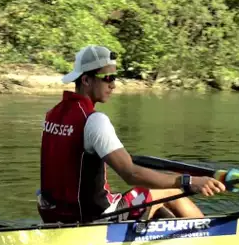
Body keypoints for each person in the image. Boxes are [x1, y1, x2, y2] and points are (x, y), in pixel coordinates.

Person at [38, 45, 227, 223]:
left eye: (114, 78)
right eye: (108, 78)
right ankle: (209, 234)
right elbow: (130, 173)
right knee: (170, 189)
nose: (113, 85)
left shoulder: (52, 114)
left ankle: (167, 229)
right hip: (96, 217)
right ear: (86, 80)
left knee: (152, 197)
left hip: (52, 213)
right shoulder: (94, 120)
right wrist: (189, 181)